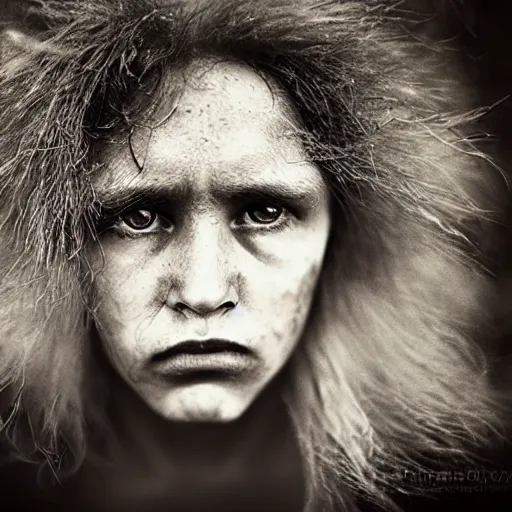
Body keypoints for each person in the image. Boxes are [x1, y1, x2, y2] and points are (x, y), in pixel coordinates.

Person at [0, 0, 507, 510]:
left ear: (345, 237)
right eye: (138, 217)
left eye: (264, 211)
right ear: (55, 248)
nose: (203, 293)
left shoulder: (466, 482)